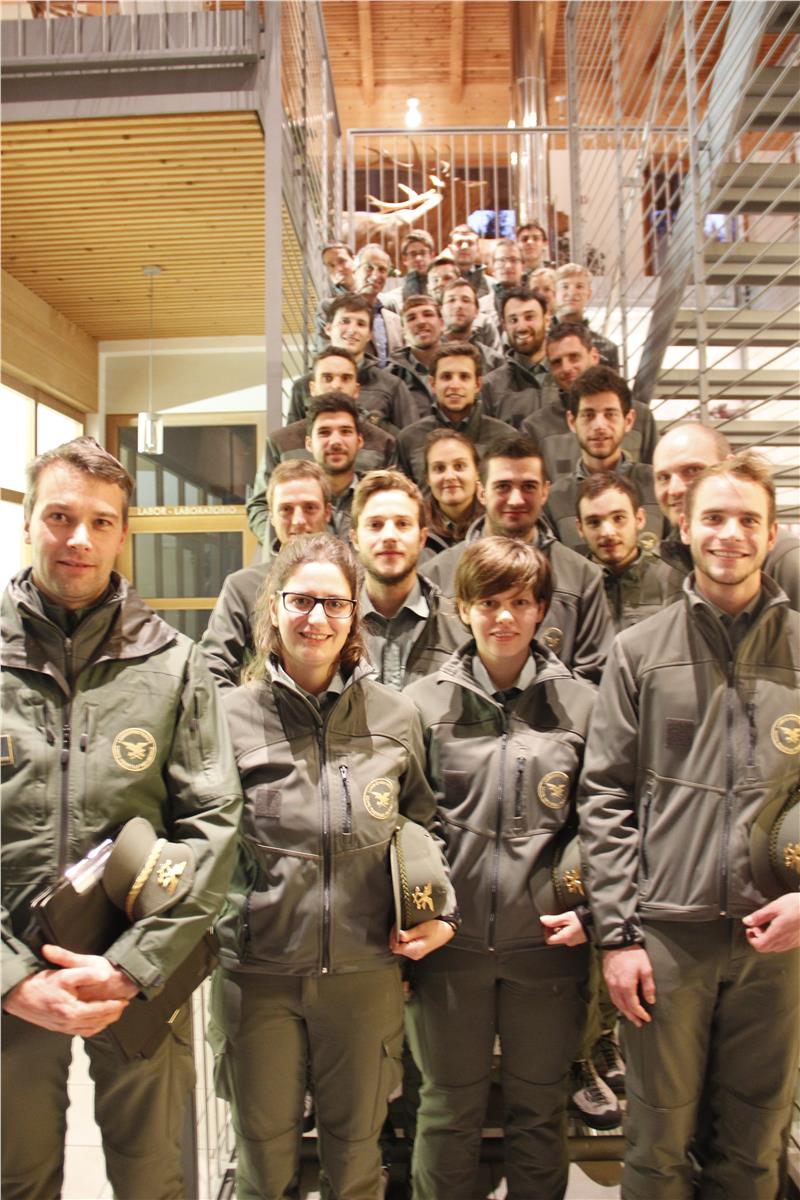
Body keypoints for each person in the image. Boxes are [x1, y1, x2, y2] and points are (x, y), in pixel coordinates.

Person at [1, 436, 242, 1200]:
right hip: (8, 978)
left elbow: (213, 825)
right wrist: (10, 980)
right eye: (60, 516)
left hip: (136, 976)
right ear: (28, 522)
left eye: (101, 522)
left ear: (123, 534)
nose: (79, 538)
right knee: (17, 1178)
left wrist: (133, 966)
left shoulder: (174, 663)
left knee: (152, 1180)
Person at [208, 532, 458, 1200]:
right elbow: (199, 838)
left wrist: (441, 914)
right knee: (264, 1165)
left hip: (364, 975)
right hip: (258, 978)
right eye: (301, 601)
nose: (316, 618)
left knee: (356, 1163)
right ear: (274, 608)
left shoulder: (395, 717)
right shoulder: (227, 718)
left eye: (334, 604)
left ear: (354, 617)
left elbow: (424, 825)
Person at [579, 453, 800, 1200]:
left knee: (756, 1145)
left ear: (771, 533)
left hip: (776, 943)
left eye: (747, 520)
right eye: (714, 517)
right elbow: (604, 796)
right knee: (657, 1146)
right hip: (667, 942)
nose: (729, 533)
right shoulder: (639, 652)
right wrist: (618, 936)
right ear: (684, 525)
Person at [405, 537, 596, 1200]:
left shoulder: (583, 706)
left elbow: (604, 819)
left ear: (542, 609)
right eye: (488, 602)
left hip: (547, 949)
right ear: (463, 608)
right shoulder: (421, 705)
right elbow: (406, 822)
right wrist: (420, 914)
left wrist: (590, 907)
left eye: (519, 601)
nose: (504, 617)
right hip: (448, 950)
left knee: (540, 1113)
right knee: (446, 1110)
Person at [421, 435, 613, 684]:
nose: (515, 499)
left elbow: (594, 676)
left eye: (528, 487)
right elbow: (427, 670)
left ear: (545, 491)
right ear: (481, 492)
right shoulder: (435, 576)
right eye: (502, 486)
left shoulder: (583, 577)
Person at [247, 346, 400, 549]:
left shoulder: (384, 441)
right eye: (327, 378)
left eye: (345, 378)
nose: (336, 386)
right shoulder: (280, 441)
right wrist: (284, 544)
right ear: (312, 387)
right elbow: (260, 505)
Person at [203, 460, 332, 690]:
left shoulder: (351, 583)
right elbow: (211, 667)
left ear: (328, 512)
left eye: (310, 508)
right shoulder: (242, 587)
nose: (298, 521)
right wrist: (241, 709)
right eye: (286, 509)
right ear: (271, 516)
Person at [653, 420, 800, 609]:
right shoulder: (666, 563)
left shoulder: (787, 562)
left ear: (731, 466)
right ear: (685, 529)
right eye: (663, 477)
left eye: (692, 470)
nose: (674, 489)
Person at [350, 470, 465, 689]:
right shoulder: (333, 626)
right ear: (355, 539)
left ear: (422, 538)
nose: (389, 536)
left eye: (402, 524)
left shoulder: (458, 627)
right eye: (375, 525)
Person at [545, 366, 662, 552]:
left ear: (629, 420)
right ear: (572, 422)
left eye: (610, 414)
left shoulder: (658, 485)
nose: (599, 425)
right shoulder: (554, 500)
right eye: (588, 415)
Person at [521, 323, 656, 476]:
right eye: (557, 362)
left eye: (574, 357)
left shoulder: (641, 416)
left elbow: (656, 476)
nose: (566, 368)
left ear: (594, 356)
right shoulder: (536, 427)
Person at [397, 342, 514, 489]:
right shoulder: (409, 439)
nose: (454, 385)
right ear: (432, 384)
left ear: (477, 384)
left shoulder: (506, 438)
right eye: (446, 377)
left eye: (464, 377)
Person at [289, 299, 418, 431]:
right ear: (328, 329)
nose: (352, 330)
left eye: (361, 324)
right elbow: (292, 438)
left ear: (370, 335)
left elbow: (411, 438)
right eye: (344, 321)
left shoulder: (392, 386)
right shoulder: (303, 386)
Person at [576, 473, 683, 630]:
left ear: (639, 519)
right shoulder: (571, 586)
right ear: (580, 528)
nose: (607, 532)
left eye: (618, 518)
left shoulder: (673, 578)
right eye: (594, 522)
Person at [480, 287, 554, 428]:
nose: (521, 327)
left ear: (547, 319)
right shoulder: (490, 387)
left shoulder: (568, 377)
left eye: (529, 317)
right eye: (513, 320)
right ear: (504, 325)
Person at [422, 428, 484, 554]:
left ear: (477, 472)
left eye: (459, 466)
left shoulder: (496, 523)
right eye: (439, 468)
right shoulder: (416, 525)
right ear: (427, 478)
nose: (450, 476)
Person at [550, 262, 620, 371]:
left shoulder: (606, 348)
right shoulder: (540, 342)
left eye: (579, 286)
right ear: (555, 294)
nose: (572, 292)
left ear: (589, 293)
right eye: (565, 286)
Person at [389, 294, 445, 419]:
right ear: (403, 331)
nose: (421, 322)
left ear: (442, 323)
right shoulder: (391, 376)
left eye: (428, 314)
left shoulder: (464, 366)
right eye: (411, 318)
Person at [352, 242, 404, 365]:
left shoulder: (392, 313)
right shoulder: (340, 311)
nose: (375, 275)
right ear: (355, 271)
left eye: (382, 269)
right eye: (369, 267)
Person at [440, 277, 503, 365]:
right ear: (441, 310)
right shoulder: (429, 353)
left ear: (476, 311)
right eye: (451, 300)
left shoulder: (493, 361)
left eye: (466, 300)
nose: (458, 305)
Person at [312, 241, 356, 350]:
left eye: (342, 261)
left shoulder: (378, 298)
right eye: (331, 265)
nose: (338, 268)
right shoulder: (327, 306)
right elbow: (323, 347)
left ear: (354, 260)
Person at [379, 230, 435, 312]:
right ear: (404, 259)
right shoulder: (393, 299)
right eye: (413, 254)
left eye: (423, 253)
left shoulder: (442, 291)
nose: (418, 258)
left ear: (432, 255)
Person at [478, 238, 525, 330]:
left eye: (513, 260)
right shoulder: (480, 307)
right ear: (492, 265)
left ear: (523, 266)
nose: (508, 266)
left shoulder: (534, 304)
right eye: (501, 260)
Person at [447, 224, 490, 298]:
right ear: (450, 249)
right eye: (459, 243)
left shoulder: (491, 286)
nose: (464, 247)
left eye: (470, 243)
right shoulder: (440, 283)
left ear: (478, 249)